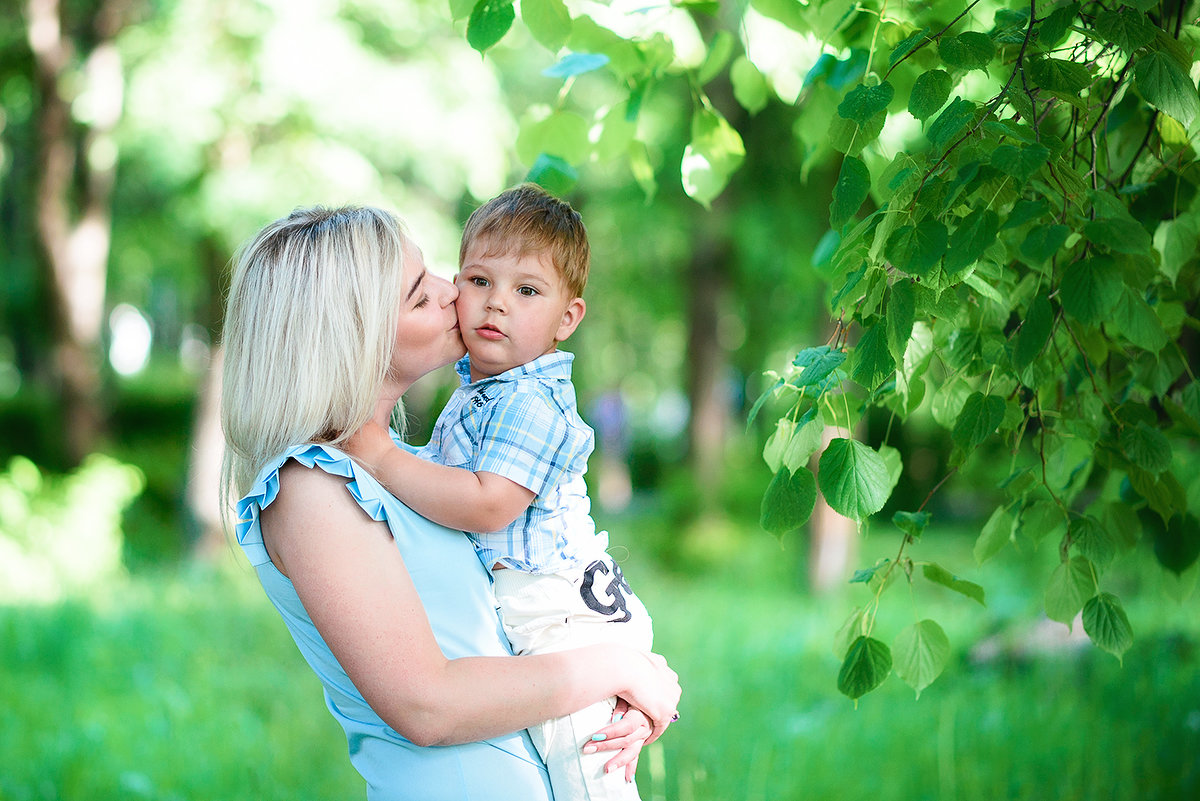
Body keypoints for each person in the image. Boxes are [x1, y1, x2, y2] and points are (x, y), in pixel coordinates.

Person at [219, 204, 680, 801]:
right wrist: (615, 668)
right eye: (419, 295)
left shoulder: (426, 472)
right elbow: (426, 706)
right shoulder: (311, 489)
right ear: (350, 336)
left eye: (438, 275)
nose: (454, 292)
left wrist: (623, 682)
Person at [345, 184, 657, 801]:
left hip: (561, 609)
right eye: (480, 281)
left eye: (528, 291)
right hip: (542, 607)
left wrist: (382, 457)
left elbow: (488, 503)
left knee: (587, 772)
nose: (496, 306)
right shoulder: (484, 393)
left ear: (567, 319)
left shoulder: (532, 402)